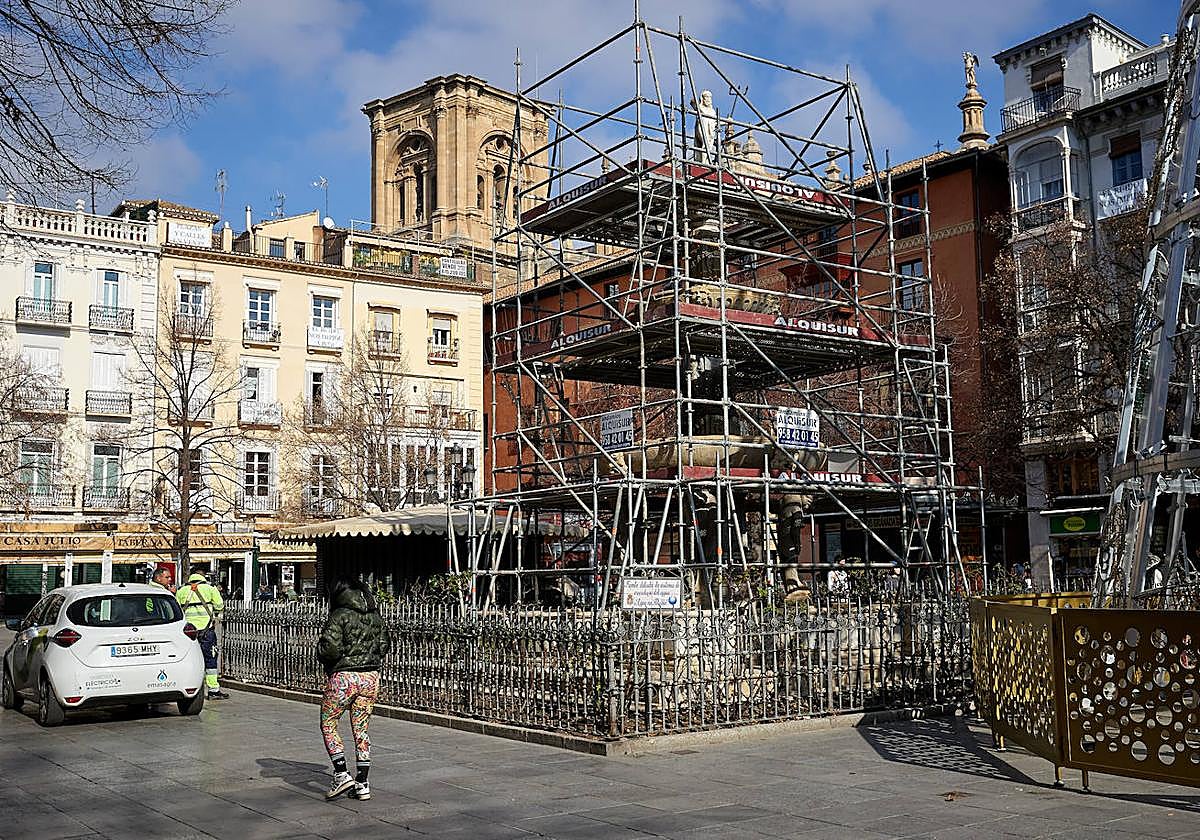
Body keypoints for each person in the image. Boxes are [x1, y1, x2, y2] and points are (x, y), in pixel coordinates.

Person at [317, 579, 391, 802]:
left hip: (344, 677)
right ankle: (363, 783)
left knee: (328, 723)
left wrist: (321, 652)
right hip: (370, 677)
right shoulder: (375, 615)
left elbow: (329, 648)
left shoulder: (340, 615)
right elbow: (385, 645)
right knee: (361, 730)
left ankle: (341, 773)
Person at [176, 570, 228, 700]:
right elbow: (220, 605)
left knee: (189, 659)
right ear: (203, 576)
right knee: (210, 660)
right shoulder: (210, 589)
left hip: (188, 632)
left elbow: (176, 608)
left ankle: (188, 686)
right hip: (206, 630)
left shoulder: (181, 590)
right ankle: (213, 690)